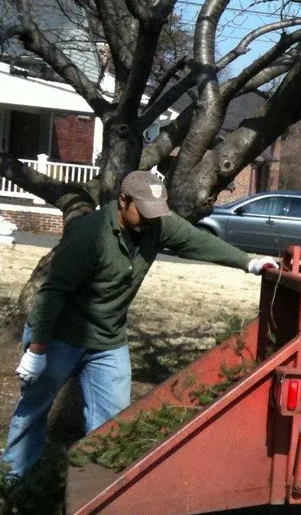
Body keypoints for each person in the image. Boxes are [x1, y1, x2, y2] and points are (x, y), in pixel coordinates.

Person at [2, 170, 278, 481]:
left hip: (108, 340)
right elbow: (52, 294)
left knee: (114, 420)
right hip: (61, 336)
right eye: (144, 212)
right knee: (35, 408)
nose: (150, 220)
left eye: (155, 214)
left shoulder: (155, 225)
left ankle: (93, 487)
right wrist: (37, 350)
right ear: (123, 201)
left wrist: (249, 262)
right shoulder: (88, 235)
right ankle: (14, 479)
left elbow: (195, 240)